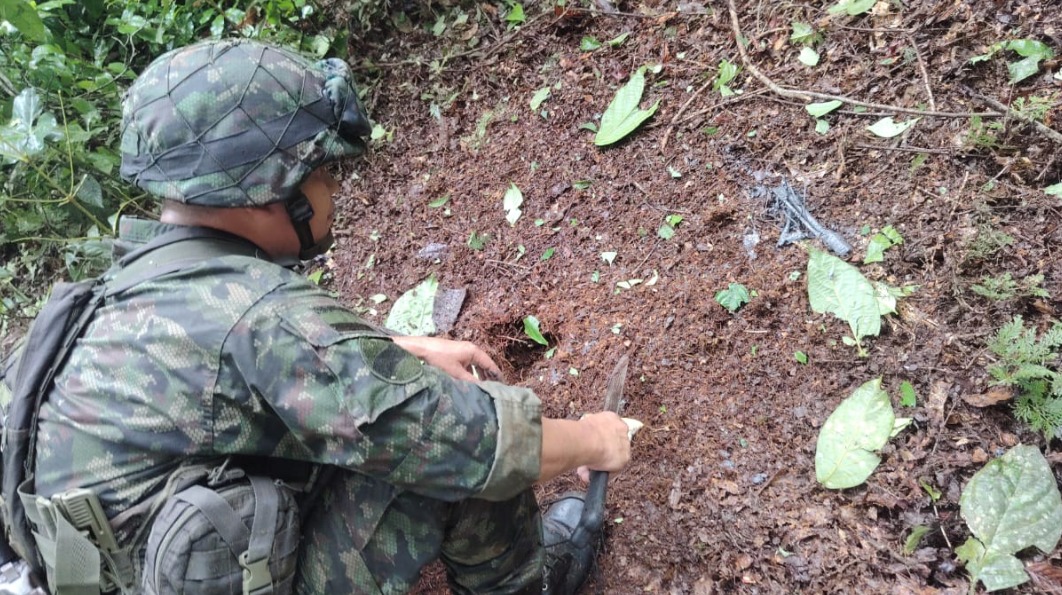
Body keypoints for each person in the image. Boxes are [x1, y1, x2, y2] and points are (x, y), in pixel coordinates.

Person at [0, 39, 633, 594]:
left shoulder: (118, 291)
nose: (332, 189)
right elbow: (476, 443)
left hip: (120, 570)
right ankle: (531, 582)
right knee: (451, 446)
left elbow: (216, 377)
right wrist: (598, 438)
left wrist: (396, 349)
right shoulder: (261, 318)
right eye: (323, 171)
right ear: (266, 191)